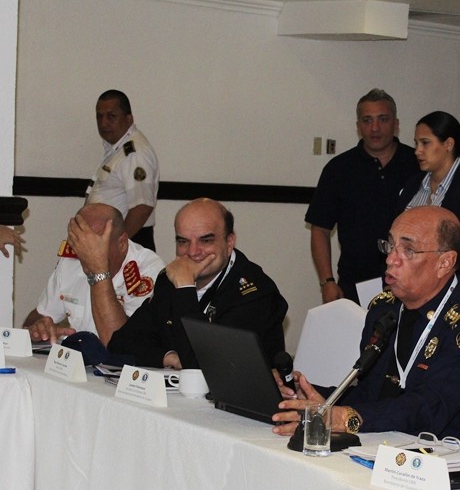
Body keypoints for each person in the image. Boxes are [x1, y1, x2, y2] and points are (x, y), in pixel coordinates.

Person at [273, 206, 460, 451]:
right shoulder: (384, 310)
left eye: (408, 250)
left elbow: (430, 407)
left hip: (456, 457)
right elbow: (370, 395)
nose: (390, 259)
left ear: (445, 262)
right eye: (390, 245)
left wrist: (345, 417)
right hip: (388, 449)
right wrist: (312, 397)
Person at [109, 198, 288, 369]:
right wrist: (170, 357)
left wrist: (185, 288)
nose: (193, 252)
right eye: (183, 241)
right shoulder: (170, 279)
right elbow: (120, 343)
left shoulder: (255, 293)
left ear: (229, 242)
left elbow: (206, 365)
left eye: (206, 240)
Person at [305, 88, 419, 304]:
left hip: (412, 284)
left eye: (383, 119)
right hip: (354, 286)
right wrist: (327, 281)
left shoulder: (417, 165)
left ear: (396, 124)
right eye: (367, 120)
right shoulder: (338, 169)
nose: (375, 128)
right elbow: (319, 229)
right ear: (358, 127)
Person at [23, 204, 163, 346]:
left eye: (95, 244)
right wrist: (39, 329)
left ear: (122, 243)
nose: (86, 252)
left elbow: (122, 346)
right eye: (79, 242)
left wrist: (99, 273)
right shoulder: (71, 262)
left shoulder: (148, 270)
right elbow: (38, 318)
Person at [396, 110, 460, 307]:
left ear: (448, 144)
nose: (417, 150)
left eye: (425, 143)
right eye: (416, 143)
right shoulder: (413, 184)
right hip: (413, 294)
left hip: (458, 299)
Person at [85, 90, 159, 251]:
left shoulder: (135, 153)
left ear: (129, 118)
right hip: (116, 243)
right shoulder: (115, 150)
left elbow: (142, 207)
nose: (103, 123)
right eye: (99, 116)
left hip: (131, 245)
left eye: (111, 116)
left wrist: (116, 245)